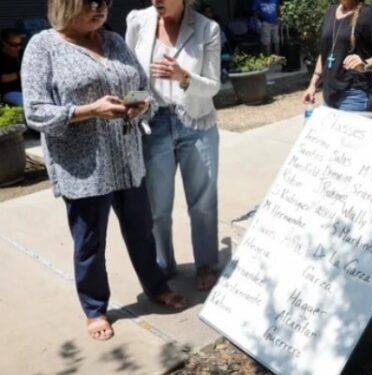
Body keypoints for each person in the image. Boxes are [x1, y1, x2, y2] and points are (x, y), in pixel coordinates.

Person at [21, 0, 186, 341]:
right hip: (84, 168)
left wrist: (140, 102)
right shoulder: (43, 46)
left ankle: (155, 287)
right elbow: (35, 113)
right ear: (66, 5)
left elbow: (139, 82)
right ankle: (95, 308)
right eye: (90, 3)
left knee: (141, 231)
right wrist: (87, 111)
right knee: (90, 243)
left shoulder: (112, 40)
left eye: (105, 2)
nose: (100, 9)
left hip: (127, 159)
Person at [126, 0, 222, 291]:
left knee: (203, 203)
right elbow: (129, 72)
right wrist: (132, 105)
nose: (157, 0)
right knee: (158, 207)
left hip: (196, 123)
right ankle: (163, 265)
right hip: (153, 123)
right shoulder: (137, 21)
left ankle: (206, 264)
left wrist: (184, 77)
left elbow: (213, 85)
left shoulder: (207, 28)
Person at [302, 0, 372, 112]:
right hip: (330, 94)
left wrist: (366, 64)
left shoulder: (368, 14)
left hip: (355, 95)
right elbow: (325, 52)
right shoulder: (331, 11)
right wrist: (313, 85)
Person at [0, 29, 24, 106]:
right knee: (27, 103)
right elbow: (2, 78)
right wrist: (19, 74)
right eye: (14, 45)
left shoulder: (23, 53)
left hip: (29, 89)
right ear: (4, 43)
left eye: (20, 44)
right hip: (10, 91)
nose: (18, 48)